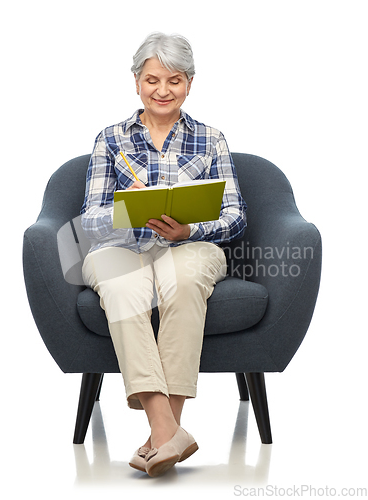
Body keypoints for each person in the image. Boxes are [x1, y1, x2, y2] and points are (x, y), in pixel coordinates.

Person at [80, 32, 247, 477]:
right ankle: (168, 429)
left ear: (189, 83)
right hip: (122, 248)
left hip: (191, 245)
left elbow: (235, 215)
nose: (162, 90)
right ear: (137, 81)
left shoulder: (211, 139)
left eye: (174, 80)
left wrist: (192, 227)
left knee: (183, 278)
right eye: (152, 79)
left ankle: (160, 438)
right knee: (123, 286)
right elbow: (88, 221)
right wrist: (126, 209)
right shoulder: (110, 139)